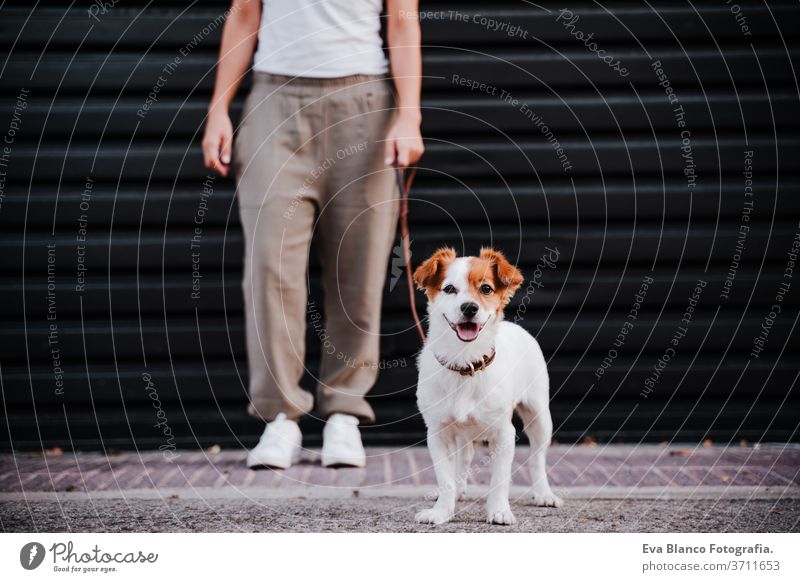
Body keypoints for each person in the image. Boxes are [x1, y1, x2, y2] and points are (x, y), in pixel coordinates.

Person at [202, 0, 423, 468]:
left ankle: (344, 413)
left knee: (359, 269)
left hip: (364, 102)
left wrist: (409, 114)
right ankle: (280, 417)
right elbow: (244, 13)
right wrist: (219, 108)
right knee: (269, 266)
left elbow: (403, 22)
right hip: (274, 104)